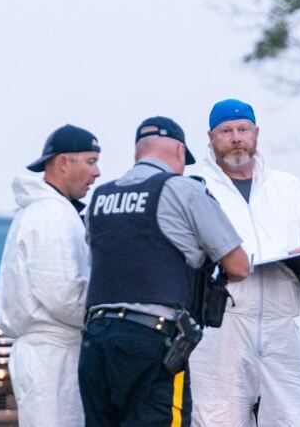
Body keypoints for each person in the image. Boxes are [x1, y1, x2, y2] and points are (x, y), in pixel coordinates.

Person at [78, 116, 250, 427]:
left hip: (96, 341)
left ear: (137, 154)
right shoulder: (183, 189)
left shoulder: (99, 198)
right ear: (179, 151)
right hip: (152, 341)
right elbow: (238, 266)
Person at [189, 99, 300, 427]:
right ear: (211, 137)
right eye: (226, 131)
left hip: (280, 323)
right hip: (221, 324)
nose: (236, 137)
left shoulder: (288, 188)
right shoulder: (195, 189)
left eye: (243, 129)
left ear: (256, 133)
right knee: (216, 418)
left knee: (294, 417)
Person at [0, 124, 101, 427]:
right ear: (64, 162)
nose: (98, 173)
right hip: (52, 357)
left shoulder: (57, 212)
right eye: (91, 161)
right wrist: (107, 316)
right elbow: (63, 296)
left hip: (56, 353)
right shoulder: (49, 217)